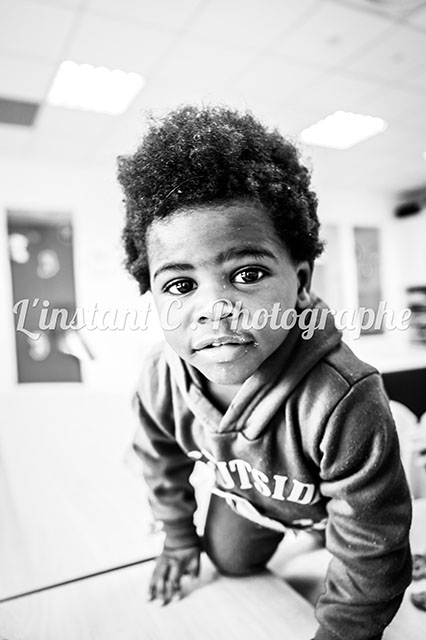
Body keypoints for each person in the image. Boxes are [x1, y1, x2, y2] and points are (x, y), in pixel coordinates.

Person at [117, 105, 412, 640]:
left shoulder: (343, 394)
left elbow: (370, 548)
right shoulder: (161, 376)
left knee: (372, 555)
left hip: (345, 495)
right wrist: (178, 538)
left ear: (300, 282)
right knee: (230, 563)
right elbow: (158, 460)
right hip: (255, 497)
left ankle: (360, 528)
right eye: (181, 285)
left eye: (247, 274)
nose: (215, 308)